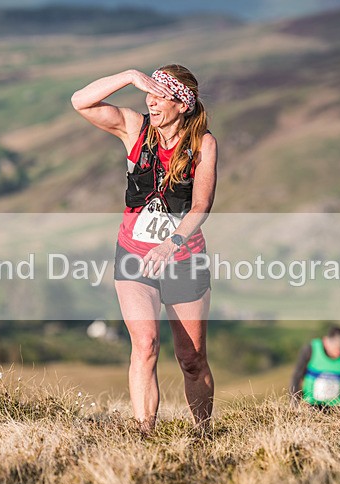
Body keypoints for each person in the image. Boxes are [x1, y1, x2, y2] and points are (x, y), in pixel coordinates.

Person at [71, 66, 218, 434]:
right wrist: (130, 75)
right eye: (148, 93)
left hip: (184, 259)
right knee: (146, 344)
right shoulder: (136, 129)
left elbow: (200, 206)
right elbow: (80, 102)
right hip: (134, 255)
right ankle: (144, 436)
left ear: (182, 105)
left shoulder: (203, 145)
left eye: (160, 95)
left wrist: (172, 243)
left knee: (191, 358)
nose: (150, 101)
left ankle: (203, 434)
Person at [290, 325, 340, 408]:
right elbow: (297, 377)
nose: (338, 353)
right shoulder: (310, 349)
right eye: (335, 348)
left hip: (337, 405)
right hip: (311, 404)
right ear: (326, 341)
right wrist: (294, 403)